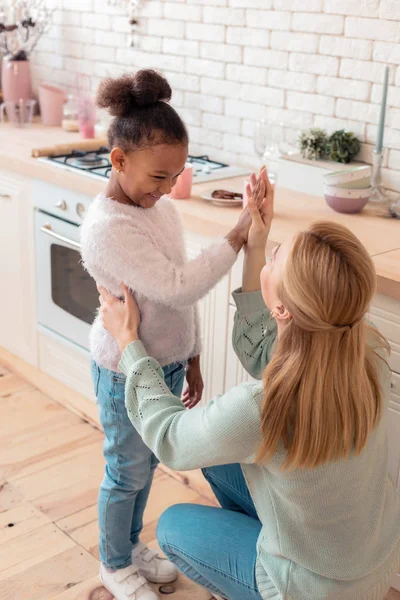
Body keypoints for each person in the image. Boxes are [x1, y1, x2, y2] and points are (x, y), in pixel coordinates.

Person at [98, 172, 400, 600]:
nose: (273, 255)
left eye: (277, 259)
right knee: (221, 461)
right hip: (376, 563)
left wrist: (130, 343)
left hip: (309, 589)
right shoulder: (361, 344)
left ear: (283, 308)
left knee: (173, 526)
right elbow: (263, 346)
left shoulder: (262, 408)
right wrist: (257, 241)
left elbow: (171, 439)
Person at [80, 69, 255, 600]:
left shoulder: (161, 210)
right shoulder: (109, 229)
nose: (168, 187)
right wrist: (238, 232)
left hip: (163, 366)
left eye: (177, 174)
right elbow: (181, 287)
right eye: (159, 176)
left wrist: (194, 355)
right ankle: (114, 562)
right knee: (126, 472)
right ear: (119, 160)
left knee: (147, 466)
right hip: (124, 373)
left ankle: (131, 546)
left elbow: (176, 300)